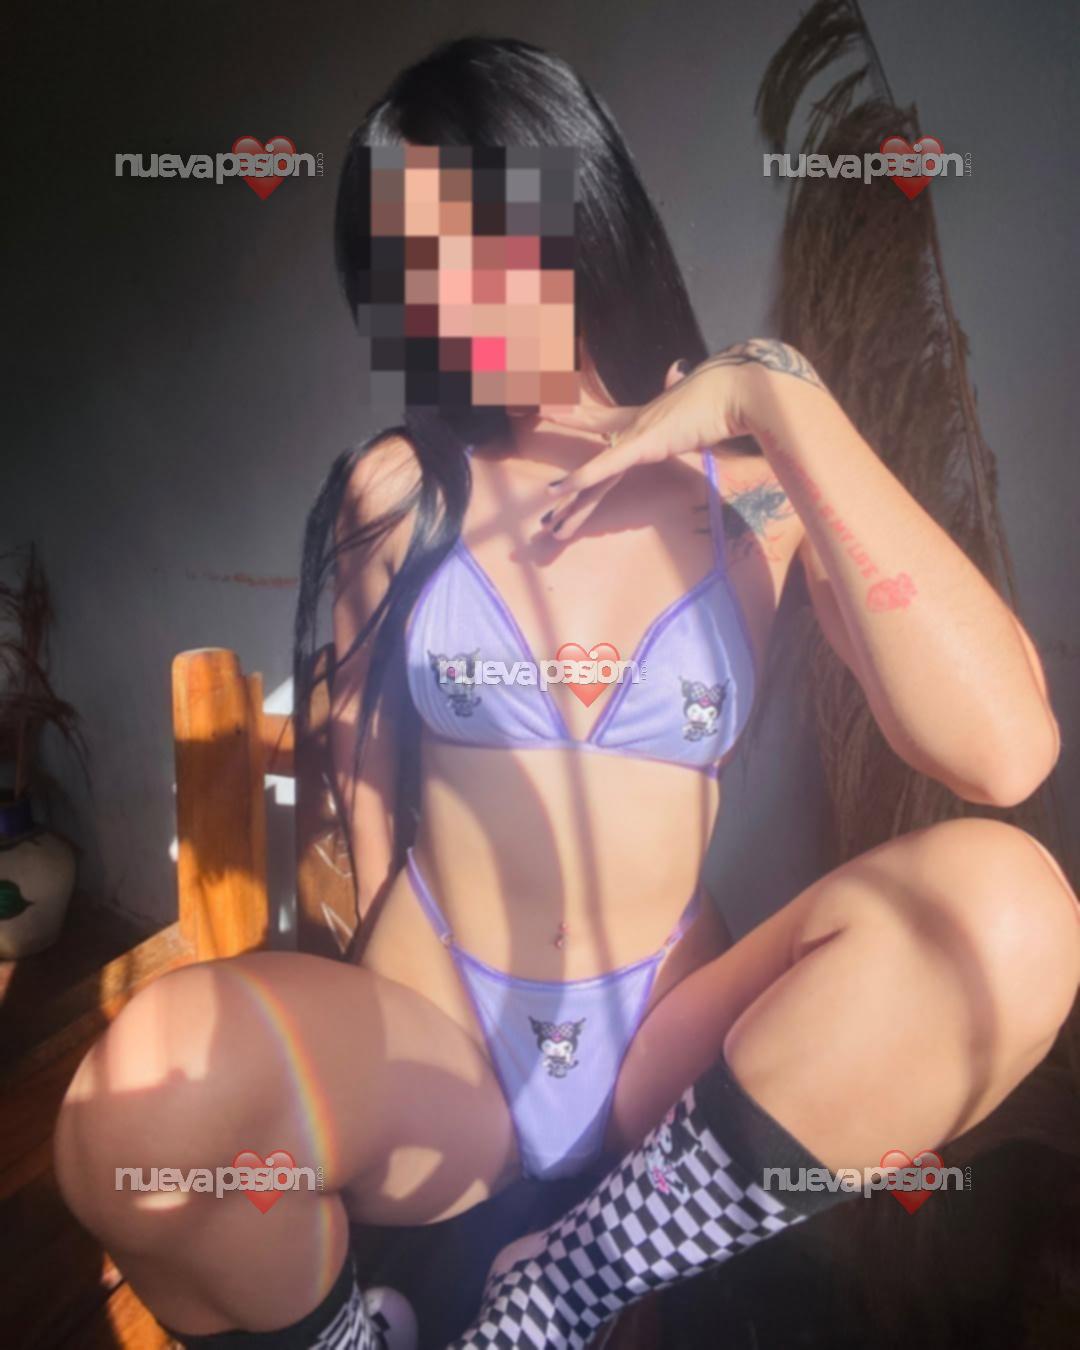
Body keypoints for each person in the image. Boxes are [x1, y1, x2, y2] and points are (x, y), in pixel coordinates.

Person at [54, 35, 1080, 1350]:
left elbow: (1005, 751)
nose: (448, 297)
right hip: (441, 1043)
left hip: (662, 1049)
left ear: (576, 199)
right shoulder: (400, 489)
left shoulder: (755, 497)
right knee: (131, 1114)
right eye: (409, 266)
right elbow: (361, 776)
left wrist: (780, 399)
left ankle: (560, 1289)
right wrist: (353, 1025)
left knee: (1015, 915)